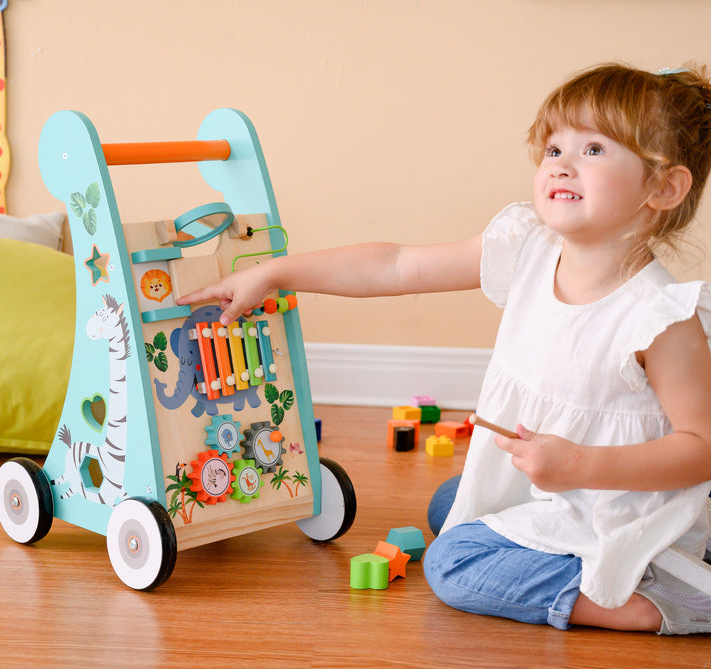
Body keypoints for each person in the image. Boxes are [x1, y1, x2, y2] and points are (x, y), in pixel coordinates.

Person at [177, 63, 711, 635]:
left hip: (619, 503)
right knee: (450, 503)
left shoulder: (659, 319)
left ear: (663, 187)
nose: (562, 163)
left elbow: (699, 449)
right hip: (560, 484)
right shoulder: (529, 248)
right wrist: (277, 272)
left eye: (595, 149)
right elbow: (395, 264)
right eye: (555, 146)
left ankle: (667, 602)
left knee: (453, 564)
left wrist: (581, 464)